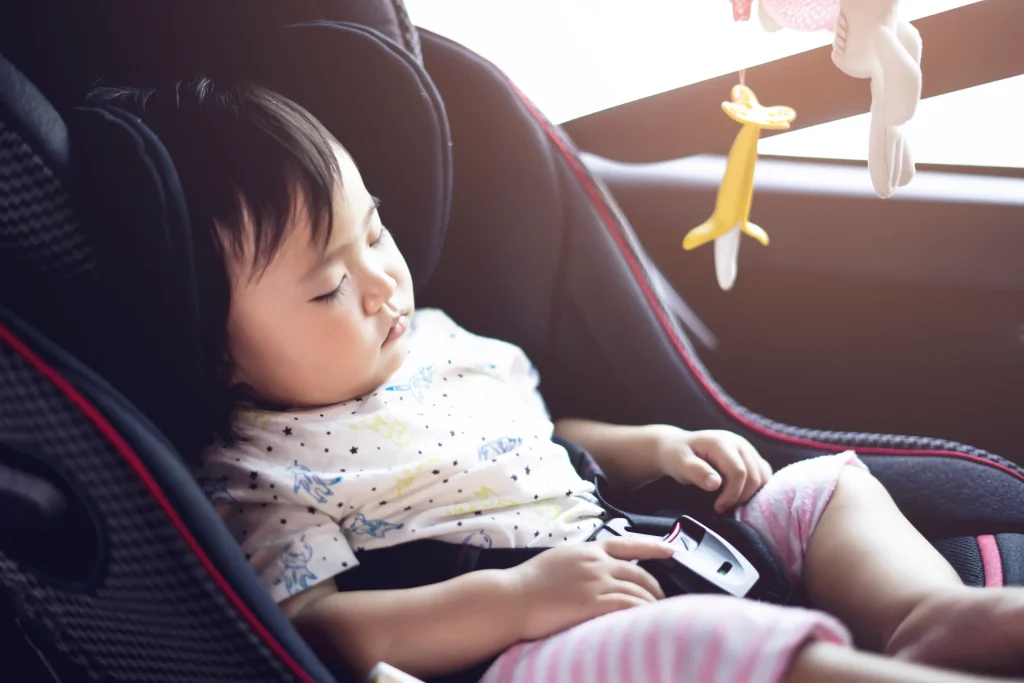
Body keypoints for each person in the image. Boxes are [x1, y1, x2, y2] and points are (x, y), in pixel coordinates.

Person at [89, 78, 1024, 683]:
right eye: (330, 285)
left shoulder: (439, 343)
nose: (382, 284)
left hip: (628, 540)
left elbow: (548, 427)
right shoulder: (261, 472)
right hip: (527, 646)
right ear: (220, 352)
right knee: (693, 652)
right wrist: (517, 600)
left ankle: (921, 614)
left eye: (374, 232)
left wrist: (653, 446)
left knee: (827, 487)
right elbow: (324, 629)